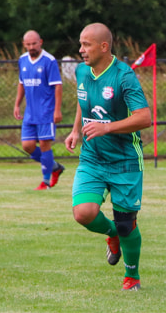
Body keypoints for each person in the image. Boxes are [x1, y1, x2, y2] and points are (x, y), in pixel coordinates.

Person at [64, 23, 152, 291]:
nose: (81, 50)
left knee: (127, 225)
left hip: (125, 159)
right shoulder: (82, 71)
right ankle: (112, 234)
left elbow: (144, 117)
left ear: (104, 46)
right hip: (92, 158)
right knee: (83, 213)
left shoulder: (124, 77)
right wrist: (76, 130)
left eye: (86, 45)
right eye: (80, 44)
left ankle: (132, 277)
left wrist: (107, 127)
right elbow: (84, 101)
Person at [14, 30, 65, 190]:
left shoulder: (49, 61)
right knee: (27, 146)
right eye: (28, 44)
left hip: (46, 112)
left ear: (40, 42)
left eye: (34, 43)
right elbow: (21, 84)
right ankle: (54, 166)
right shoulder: (22, 60)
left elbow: (57, 86)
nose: (31, 47)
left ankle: (46, 181)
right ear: (24, 45)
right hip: (30, 113)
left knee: (44, 144)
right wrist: (17, 104)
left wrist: (57, 110)